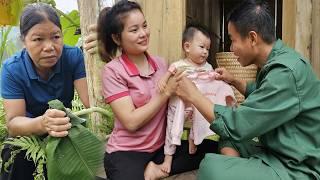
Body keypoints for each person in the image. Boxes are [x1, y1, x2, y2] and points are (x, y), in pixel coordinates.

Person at [174, 0, 320, 179]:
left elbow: (237, 125)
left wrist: (194, 95)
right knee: (228, 139)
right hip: (277, 149)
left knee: (211, 167)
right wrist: (233, 80)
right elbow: (261, 93)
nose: (231, 48)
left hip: (296, 165)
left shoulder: (285, 73)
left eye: (233, 40)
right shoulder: (276, 60)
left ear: (252, 38)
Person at [96, 1, 218, 179]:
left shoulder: (161, 64)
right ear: (116, 38)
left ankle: (156, 169)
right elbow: (130, 122)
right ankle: (149, 171)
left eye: (144, 26)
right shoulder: (113, 71)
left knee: (212, 149)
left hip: (161, 148)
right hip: (127, 153)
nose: (143, 34)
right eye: (134, 30)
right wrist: (166, 93)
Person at [0, 3, 89, 180]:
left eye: (56, 37)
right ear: (23, 40)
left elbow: (90, 102)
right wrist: (43, 124)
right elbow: (14, 123)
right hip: (29, 131)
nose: (49, 47)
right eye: (38, 39)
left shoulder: (72, 57)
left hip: (65, 128)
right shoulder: (12, 70)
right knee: (14, 155)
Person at [158, 23, 238, 174]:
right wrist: (163, 80)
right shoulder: (179, 65)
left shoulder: (207, 67)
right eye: (202, 47)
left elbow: (211, 83)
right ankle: (168, 157)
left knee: (200, 117)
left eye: (208, 49)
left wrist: (216, 77)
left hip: (196, 107)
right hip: (178, 106)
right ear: (187, 47)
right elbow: (167, 77)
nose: (205, 52)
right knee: (171, 129)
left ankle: (193, 141)